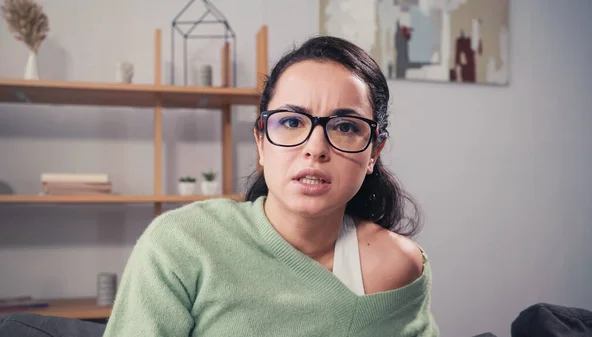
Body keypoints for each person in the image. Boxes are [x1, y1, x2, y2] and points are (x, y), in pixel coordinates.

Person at [102, 35, 439, 337]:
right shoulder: (180, 244)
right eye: (292, 122)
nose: (316, 148)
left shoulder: (396, 265)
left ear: (373, 154)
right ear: (261, 142)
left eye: (346, 127)